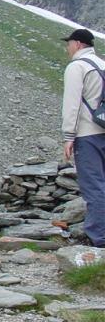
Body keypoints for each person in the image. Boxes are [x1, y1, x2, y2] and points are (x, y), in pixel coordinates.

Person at [61, 28, 105, 247]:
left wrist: (69, 136)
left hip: (88, 133)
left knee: (94, 186)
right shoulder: (103, 64)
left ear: (77, 44)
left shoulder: (77, 67)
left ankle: (99, 240)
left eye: (68, 43)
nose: (67, 48)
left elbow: (72, 104)